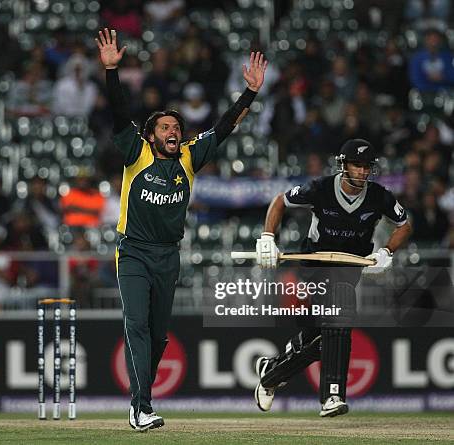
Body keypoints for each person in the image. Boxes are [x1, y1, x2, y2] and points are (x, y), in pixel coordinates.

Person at [95, 28, 267, 431]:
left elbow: (224, 127)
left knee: (157, 338)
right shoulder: (135, 153)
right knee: (136, 326)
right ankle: (141, 407)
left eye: (176, 128)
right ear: (151, 135)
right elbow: (120, 113)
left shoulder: (190, 157)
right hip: (133, 251)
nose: (173, 132)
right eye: (165, 128)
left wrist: (250, 94)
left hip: (168, 255)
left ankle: (141, 401)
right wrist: (111, 72)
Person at [253, 139, 412, 417]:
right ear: (344, 164)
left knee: (325, 331)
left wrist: (387, 251)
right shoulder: (321, 188)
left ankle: (273, 372)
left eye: (367, 167)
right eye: (357, 165)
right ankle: (332, 395)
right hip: (316, 264)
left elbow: (403, 225)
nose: (362, 172)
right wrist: (267, 236)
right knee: (339, 321)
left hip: (350, 268)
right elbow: (280, 201)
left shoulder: (379, 196)